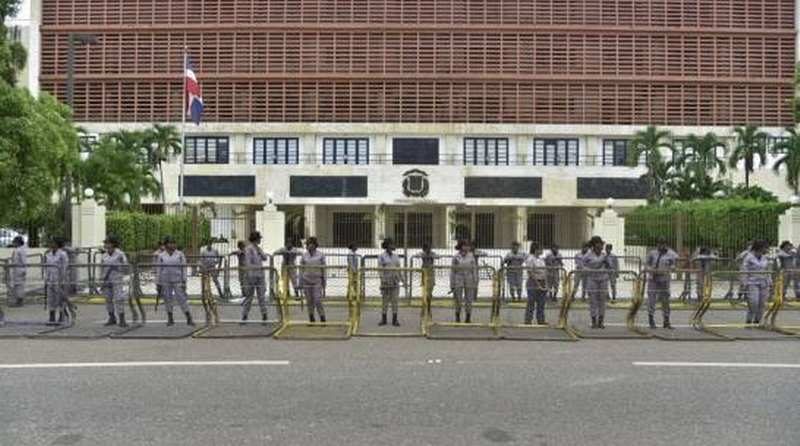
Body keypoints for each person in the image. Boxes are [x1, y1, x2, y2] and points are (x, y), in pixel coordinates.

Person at [157, 236, 194, 326]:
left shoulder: (180, 254)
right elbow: (159, 270)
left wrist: (184, 281)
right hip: (165, 280)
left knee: (182, 299)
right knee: (168, 300)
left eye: (174, 243)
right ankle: (170, 318)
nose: (173, 245)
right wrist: (158, 283)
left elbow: (184, 268)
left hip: (178, 280)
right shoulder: (161, 255)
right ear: (166, 244)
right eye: (170, 243)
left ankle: (189, 317)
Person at [644, 239, 679, 329]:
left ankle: (666, 321)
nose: (662, 246)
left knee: (665, 300)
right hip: (653, 279)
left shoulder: (671, 254)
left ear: (666, 245)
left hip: (664, 279)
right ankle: (651, 319)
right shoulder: (652, 253)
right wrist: (650, 269)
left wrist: (672, 267)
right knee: (652, 299)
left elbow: (676, 263)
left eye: (664, 244)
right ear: (657, 244)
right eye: (660, 244)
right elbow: (646, 264)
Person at [100, 235, 130, 327]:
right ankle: (112, 317)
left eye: (108, 243)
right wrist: (101, 280)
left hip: (117, 279)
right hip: (106, 280)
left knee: (118, 299)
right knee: (108, 299)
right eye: (105, 243)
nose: (106, 245)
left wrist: (121, 266)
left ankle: (122, 319)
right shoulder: (104, 255)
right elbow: (102, 268)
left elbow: (126, 268)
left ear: (113, 244)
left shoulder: (120, 254)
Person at [581, 236, 611, 329]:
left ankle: (601, 321)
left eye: (602, 243)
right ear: (594, 245)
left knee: (602, 301)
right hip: (592, 279)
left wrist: (607, 263)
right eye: (599, 243)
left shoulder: (604, 255)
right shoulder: (588, 255)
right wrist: (589, 270)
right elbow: (582, 266)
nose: (601, 245)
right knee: (593, 301)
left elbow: (610, 267)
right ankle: (593, 321)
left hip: (603, 279)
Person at [742, 240, 772, 325]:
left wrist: (770, 282)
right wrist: (744, 283)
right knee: (754, 302)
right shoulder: (748, 257)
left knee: (762, 303)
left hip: (764, 283)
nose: (767, 249)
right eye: (765, 247)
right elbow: (744, 271)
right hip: (752, 282)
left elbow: (768, 270)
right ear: (760, 248)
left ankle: (757, 320)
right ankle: (749, 319)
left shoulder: (765, 258)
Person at [242, 231, 269, 322]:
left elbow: (265, 258)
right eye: (259, 238)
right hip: (251, 275)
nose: (260, 240)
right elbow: (248, 263)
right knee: (249, 296)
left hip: (260, 275)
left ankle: (264, 314)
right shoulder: (248, 249)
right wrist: (257, 267)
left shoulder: (258, 248)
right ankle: (245, 315)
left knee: (261, 296)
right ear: (255, 239)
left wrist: (260, 252)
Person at [450, 240, 478, 323]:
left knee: (469, 299)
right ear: (461, 246)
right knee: (458, 299)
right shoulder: (456, 257)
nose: (467, 247)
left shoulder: (471, 256)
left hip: (469, 278)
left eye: (468, 246)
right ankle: (457, 316)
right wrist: (452, 284)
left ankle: (468, 317)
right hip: (458, 278)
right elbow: (452, 271)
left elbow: (474, 269)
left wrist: (475, 281)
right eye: (465, 245)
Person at [378, 238, 404, 326]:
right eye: (391, 244)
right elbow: (380, 270)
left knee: (395, 301)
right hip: (386, 281)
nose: (393, 245)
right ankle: (384, 319)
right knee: (385, 301)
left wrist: (403, 280)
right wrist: (383, 280)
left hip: (395, 281)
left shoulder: (396, 256)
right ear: (387, 245)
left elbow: (399, 269)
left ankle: (395, 320)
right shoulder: (382, 256)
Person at [44, 237, 70, 325]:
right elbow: (47, 267)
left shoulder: (62, 254)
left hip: (60, 279)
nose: (51, 244)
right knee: (51, 299)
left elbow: (64, 267)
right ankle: (52, 317)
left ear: (57, 244)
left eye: (53, 242)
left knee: (60, 299)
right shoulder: (48, 254)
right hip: (50, 279)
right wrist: (46, 278)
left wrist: (63, 280)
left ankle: (62, 316)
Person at [301, 237, 326, 323]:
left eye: (310, 244)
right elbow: (301, 269)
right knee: (309, 300)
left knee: (317, 299)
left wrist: (324, 281)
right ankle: (311, 317)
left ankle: (322, 316)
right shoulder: (304, 255)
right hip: (306, 280)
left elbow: (324, 269)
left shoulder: (321, 255)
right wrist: (300, 282)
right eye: (307, 244)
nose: (308, 246)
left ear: (315, 245)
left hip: (317, 281)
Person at [524, 242, 548, 325]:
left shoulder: (541, 259)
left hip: (542, 281)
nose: (542, 250)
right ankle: (528, 320)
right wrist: (537, 284)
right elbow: (530, 272)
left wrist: (545, 283)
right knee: (531, 302)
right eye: (540, 249)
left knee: (541, 303)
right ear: (536, 250)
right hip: (533, 282)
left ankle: (541, 320)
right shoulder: (530, 259)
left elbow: (544, 271)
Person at [8, 235, 27, 307]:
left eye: (15, 242)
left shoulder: (21, 250)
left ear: (18, 242)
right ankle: (17, 301)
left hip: (20, 270)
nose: (13, 244)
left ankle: (20, 301)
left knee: (20, 286)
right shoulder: (16, 250)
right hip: (15, 270)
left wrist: (24, 270)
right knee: (16, 286)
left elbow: (24, 261)